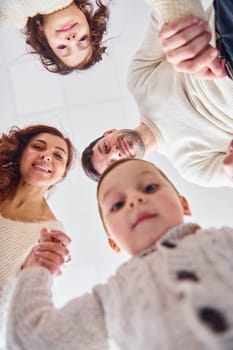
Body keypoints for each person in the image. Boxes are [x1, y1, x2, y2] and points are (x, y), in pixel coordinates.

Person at [6, 158, 233, 350]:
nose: (135, 200)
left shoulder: (225, 240)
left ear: (183, 203)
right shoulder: (109, 298)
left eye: (149, 188)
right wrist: (37, 267)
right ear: (112, 242)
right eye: (117, 204)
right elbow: (30, 340)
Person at [81, 0, 233, 187]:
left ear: (109, 132)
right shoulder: (191, 168)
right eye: (114, 164)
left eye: (105, 147)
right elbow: (228, 174)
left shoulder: (137, 82)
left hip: (224, 38)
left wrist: (183, 33)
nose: (116, 152)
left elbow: (162, 15)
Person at [0, 124, 76, 343]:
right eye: (38, 147)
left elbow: (19, 299)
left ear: (61, 175)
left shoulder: (51, 233)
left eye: (58, 155)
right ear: (21, 153)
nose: (47, 156)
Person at [0, 0, 110, 74]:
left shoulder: (12, 15)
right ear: (86, 16)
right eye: (82, 39)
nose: (71, 39)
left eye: (62, 47)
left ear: (41, 34)